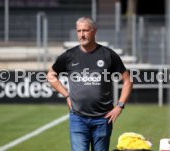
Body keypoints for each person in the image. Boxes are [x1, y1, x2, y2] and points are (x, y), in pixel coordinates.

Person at [47, 17, 133, 151]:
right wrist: (66, 95)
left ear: (94, 31)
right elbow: (51, 75)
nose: (82, 34)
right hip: (77, 118)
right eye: (79, 31)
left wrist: (120, 106)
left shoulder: (108, 55)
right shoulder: (69, 55)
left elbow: (128, 80)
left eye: (85, 30)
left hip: (103, 118)